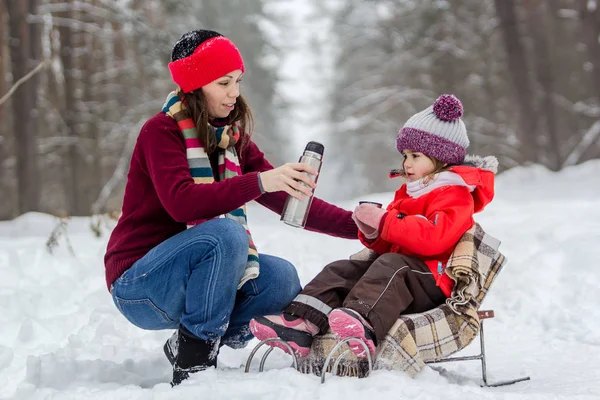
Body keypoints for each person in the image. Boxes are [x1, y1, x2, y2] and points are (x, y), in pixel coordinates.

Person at [104, 29, 358, 386]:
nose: (234, 93)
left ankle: (186, 343)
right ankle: (194, 362)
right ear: (195, 85)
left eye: (237, 81)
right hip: (140, 285)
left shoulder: (232, 140)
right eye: (223, 83)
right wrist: (259, 181)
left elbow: (290, 200)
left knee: (281, 279)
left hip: (189, 278)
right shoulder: (160, 132)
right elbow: (182, 203)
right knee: (226, 236)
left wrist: (365, 227)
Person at [250, 94, 497, 359]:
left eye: (415, 156)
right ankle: (302, 323)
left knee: (391, 265)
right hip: (399, 275)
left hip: (431, 280)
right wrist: (373, 232)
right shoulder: (410, 192)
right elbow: (391, 244)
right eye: (404, 155)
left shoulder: (455, 195)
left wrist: (386, 221)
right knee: (344, 269)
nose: (407, 163)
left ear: (441, 158)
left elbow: (433, 239)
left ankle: (363, 323)